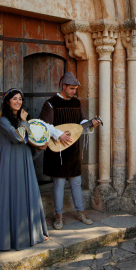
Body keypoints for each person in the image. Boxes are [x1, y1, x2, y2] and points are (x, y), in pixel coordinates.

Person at [0, 88, 62, 251]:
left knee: (30, 195)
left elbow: (29, 147)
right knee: (14, 196)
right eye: (14, 99)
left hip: (25, 163)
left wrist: (40, 148)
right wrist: (24, 121)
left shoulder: (26, 121)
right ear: (8, 101)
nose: (18, 102)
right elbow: (17, 136)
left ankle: (34, 233)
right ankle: (14, 239)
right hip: (11, 165)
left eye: (20, 99)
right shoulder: (3, 120)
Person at [39, 72, 100, 230]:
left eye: (75, 89)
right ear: (63, 86)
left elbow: (80, 125)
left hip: (73, 149)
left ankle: (80, 212)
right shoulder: (50, 103)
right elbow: (43, 125)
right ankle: (58, 216)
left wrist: (90, 124)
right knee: (59, 183)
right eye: (72, 88)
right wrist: (59, 134)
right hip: (57, 150)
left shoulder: (77, 103)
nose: (74, 92)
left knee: (76, 183)